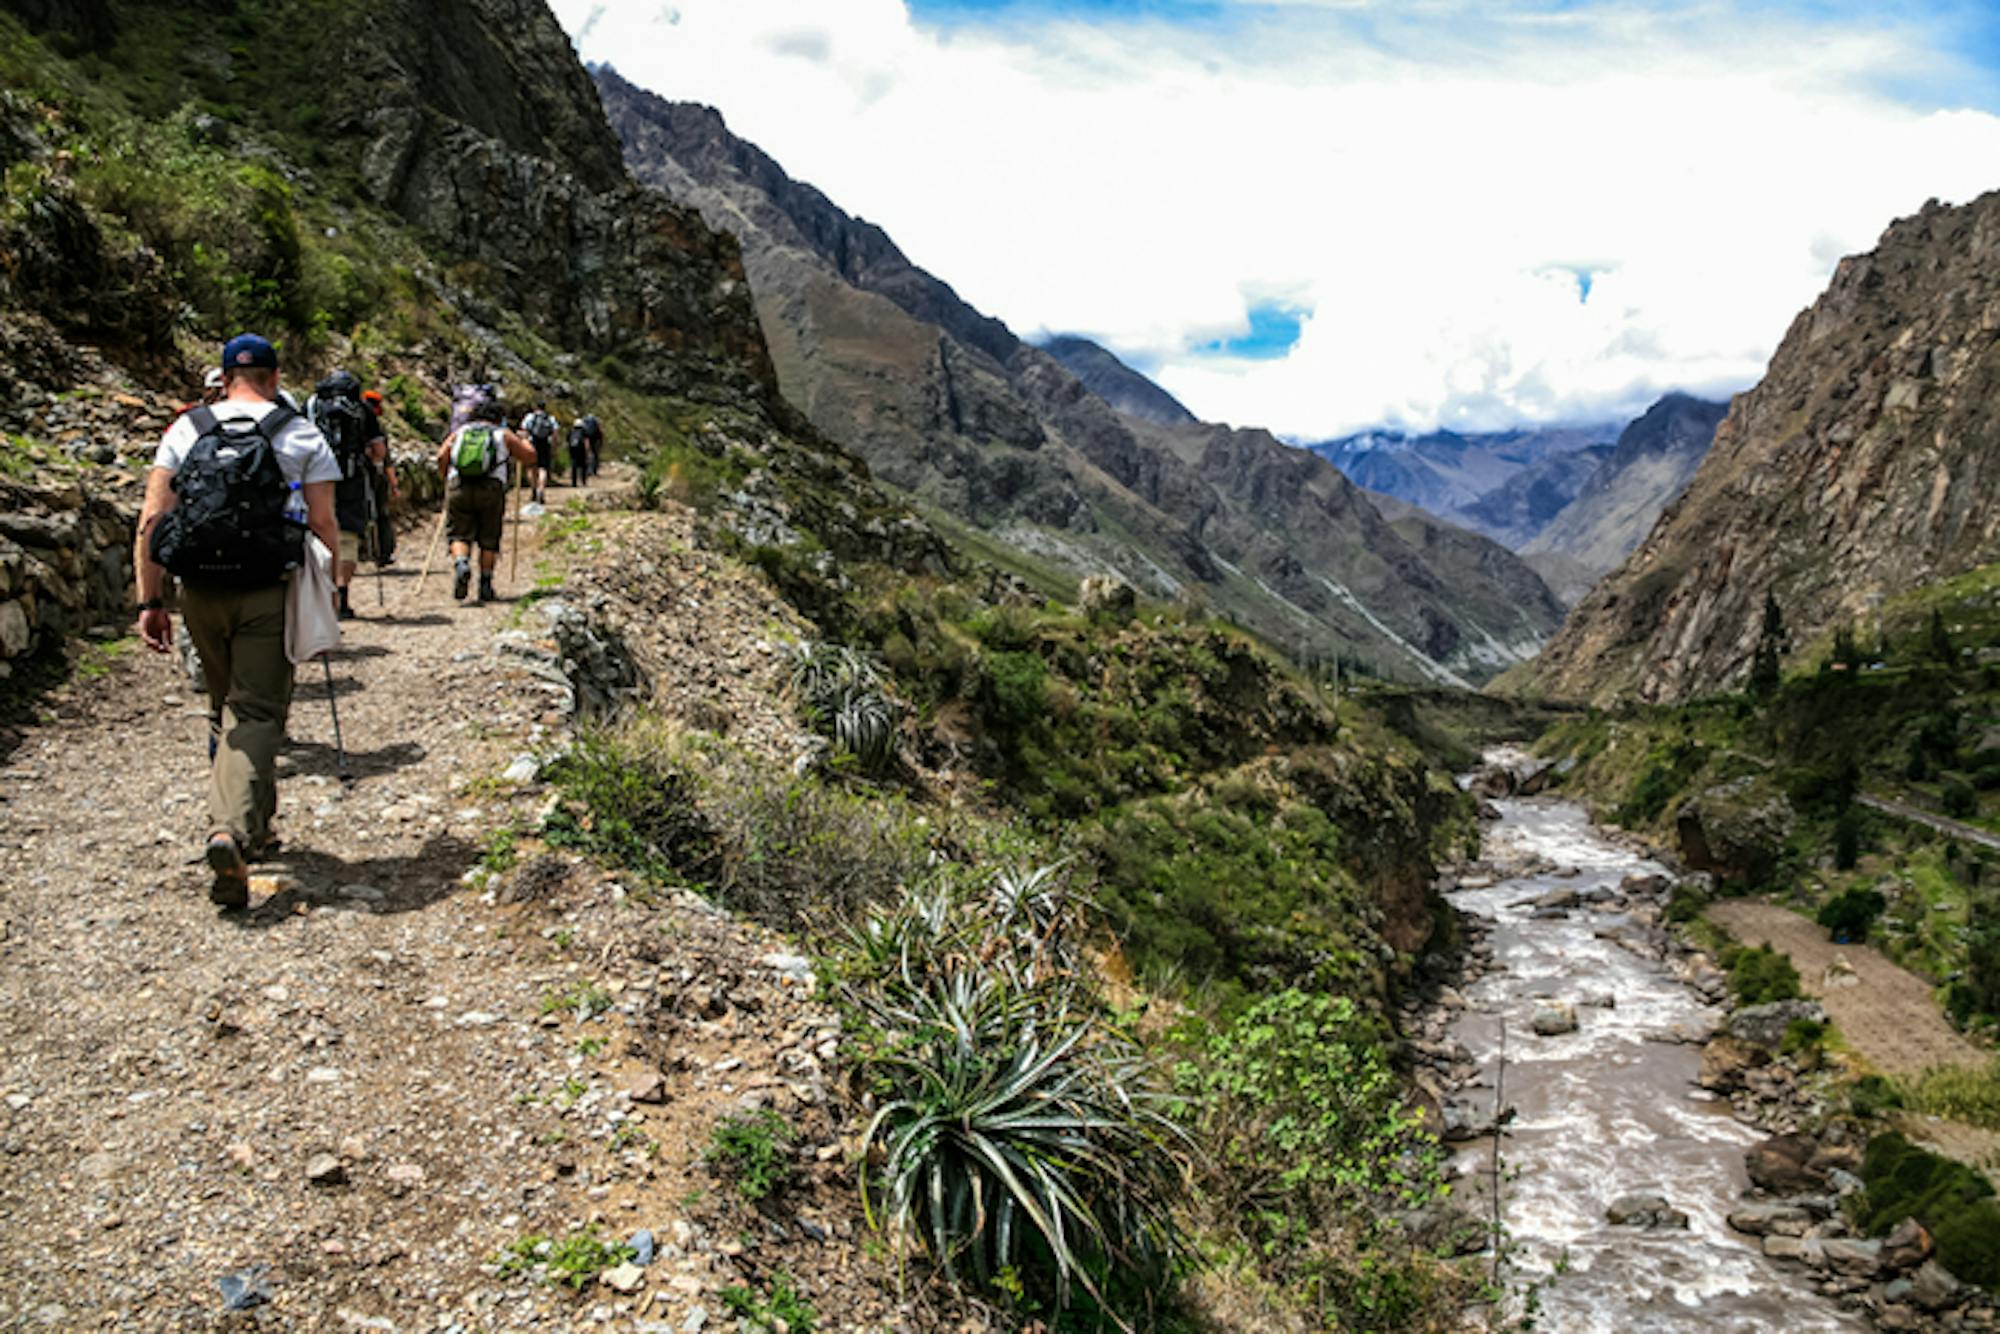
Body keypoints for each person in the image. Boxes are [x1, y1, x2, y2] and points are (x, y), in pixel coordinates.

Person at [135, 332, 341, 909]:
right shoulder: (299, 432)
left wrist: (149, 600)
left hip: (199, 588)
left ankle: (256, 823)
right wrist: (327, 596)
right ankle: (230, 830)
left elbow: (153, 517)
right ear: (275, 378)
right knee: (256, 710)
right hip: (268, 589)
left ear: (224, 378)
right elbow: (324, 526)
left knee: (225, 706)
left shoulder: (187, 428)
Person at [306, 369, 388, 620]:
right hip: (352, 479)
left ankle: (317, 595)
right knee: (348, 536)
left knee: (315, 531)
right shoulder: (362, 409)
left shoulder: (311, 405)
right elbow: (379, 450)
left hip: (315, 477)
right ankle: (341, 594)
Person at [436, 399, 534, 605]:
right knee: (489, 536)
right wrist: (524, 440)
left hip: (459, 486)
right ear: (498, 417)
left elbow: (440, 456)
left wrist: (447, 477)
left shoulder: (461, 432)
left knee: (458, 533)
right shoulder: (502, 434)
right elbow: (529, 457)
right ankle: (485, 585)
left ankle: (461, 563)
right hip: (491, 488)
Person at [359, 389, 399, 566]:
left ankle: (362, 552)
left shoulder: (351, 422)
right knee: (381, 514)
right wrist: (394, 484)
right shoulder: (376, 428)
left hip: (355, 476)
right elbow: (386, 458)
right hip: (377, 475)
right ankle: (382, 552)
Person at [521, 401, 558, 504]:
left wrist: (524, 446)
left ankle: (533, 489)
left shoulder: (530, 417)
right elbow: (555, 433)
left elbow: (524, 432)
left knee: (531, 468)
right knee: (543, 468)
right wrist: (554, 448)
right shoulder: (550, 418)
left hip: (532, 444)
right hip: (545, 444)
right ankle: (541, 490)